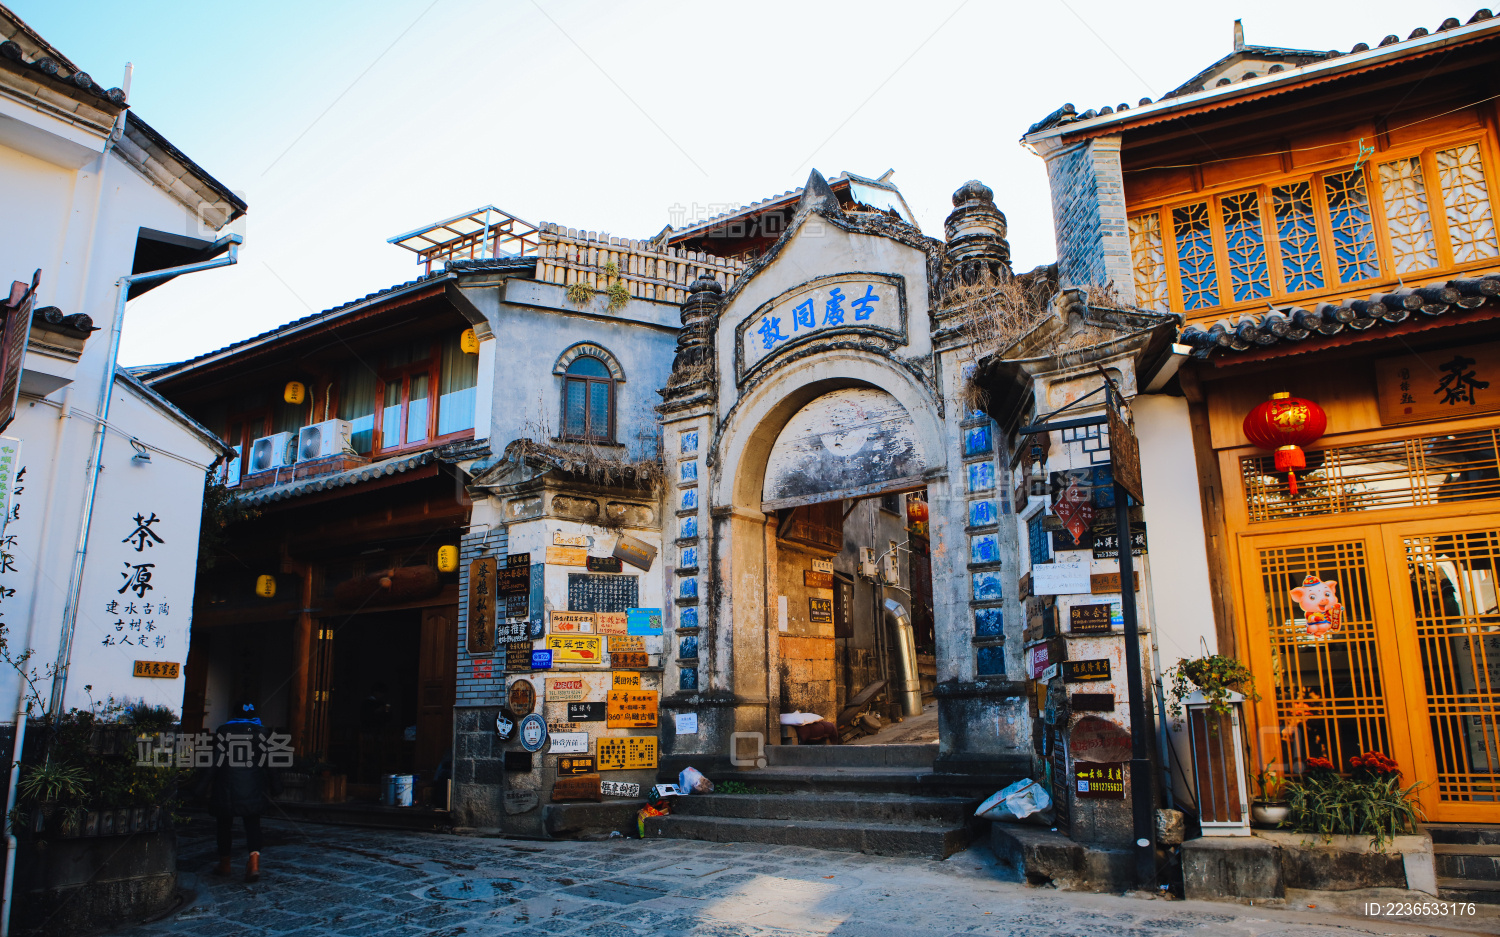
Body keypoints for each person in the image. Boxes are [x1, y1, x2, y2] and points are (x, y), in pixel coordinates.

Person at [204, 701, 281, 883]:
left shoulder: (223, 732)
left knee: (224, 825)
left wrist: (199, 788)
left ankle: (225, 864)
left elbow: (213, 763)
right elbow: (270, 763)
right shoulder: (262, 733)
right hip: (252, 786)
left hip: (226, 785)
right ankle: (253, 864)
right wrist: (277, 786)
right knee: (253, 824)